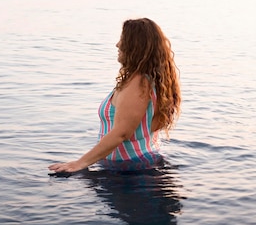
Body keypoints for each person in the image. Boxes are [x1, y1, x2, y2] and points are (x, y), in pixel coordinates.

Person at [48, 18, 181, 173]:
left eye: (123, 40)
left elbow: (121, 133)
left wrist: (79, 163)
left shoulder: (138, 83)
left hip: (129, 169)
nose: (117, 45)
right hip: (141, 162)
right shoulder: (151, 82)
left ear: (135, 47)